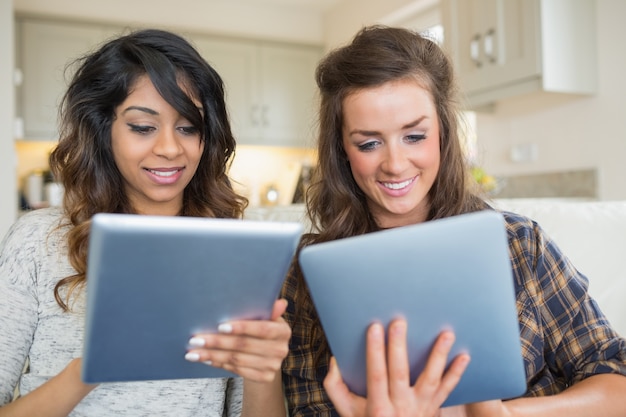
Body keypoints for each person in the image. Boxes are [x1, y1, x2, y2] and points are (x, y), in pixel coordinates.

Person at [278, 25, 626, 417]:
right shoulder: (308, 276)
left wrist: (503, 415)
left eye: (414, 136)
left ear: (443, 131)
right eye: (369, 143)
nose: (394, 164)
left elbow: (616, 379)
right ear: (342, 149)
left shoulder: (518, 243)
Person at [0, 29, 290, 416]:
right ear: (104, 131)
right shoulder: (36, 241)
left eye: (188, 127)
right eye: (142, 127)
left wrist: (262, 371)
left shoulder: (232, 252)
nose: (170, 148)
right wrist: (89, 370)